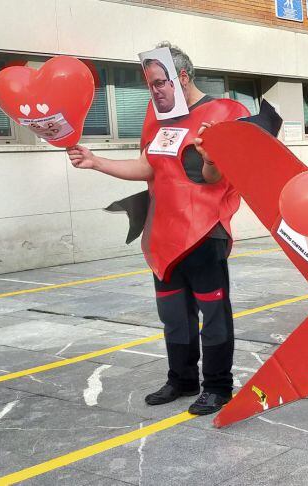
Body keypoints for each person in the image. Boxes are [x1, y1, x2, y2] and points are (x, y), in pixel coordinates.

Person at [67, 42, 250, 416]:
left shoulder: (226, 112)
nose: (154, 92)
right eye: (149, 85)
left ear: (182, 77)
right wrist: (95, 161)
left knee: (213, 314)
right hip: (162, 235)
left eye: (159, 83)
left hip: (203, 232)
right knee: (173, 315)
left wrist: (211, 156)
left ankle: (217, 386)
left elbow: (220, 177)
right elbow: (149, 167)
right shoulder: (157, 116)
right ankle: (181, 379)